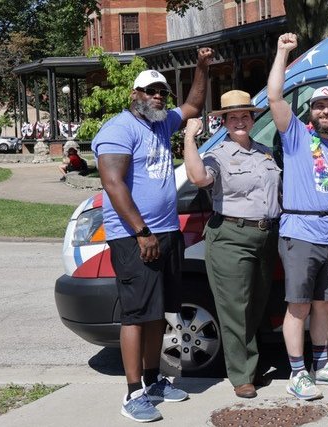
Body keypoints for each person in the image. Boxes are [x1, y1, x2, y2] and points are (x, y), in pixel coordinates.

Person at [92, 47, 212, 423]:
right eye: (151, 91)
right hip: (135, 237)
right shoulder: (118, 129)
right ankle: (132, 394)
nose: (158, 96)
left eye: (162, 91)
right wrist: (142, 233)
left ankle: (154, 379)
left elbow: (193, 105)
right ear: (135, 95)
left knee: (158, 314)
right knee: (135, 315)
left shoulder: (161, 122)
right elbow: (113, 185)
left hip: (165, 232)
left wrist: (203, 67)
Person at [268, 33, 328, 401]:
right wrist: (282, 52)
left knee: (324, 306)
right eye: (320, 106)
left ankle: (322, 366)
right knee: (299, 306)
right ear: (311, 110)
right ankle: (297, 372)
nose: (326, 111)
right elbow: (274, 96)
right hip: (301, 231)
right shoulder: (296, 136)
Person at [181, 90, 280, 399]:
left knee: (255, 307)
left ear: (253, 119)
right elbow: (198, 178)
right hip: (231, 237)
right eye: (233, 117)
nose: (240, 121)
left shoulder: (265, 152)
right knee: (235, 309)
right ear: (223, 122)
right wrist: (189, 139)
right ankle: (242, 376)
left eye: (245, 116)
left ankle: (250, 363)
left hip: (265, 236)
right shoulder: (217, 155)